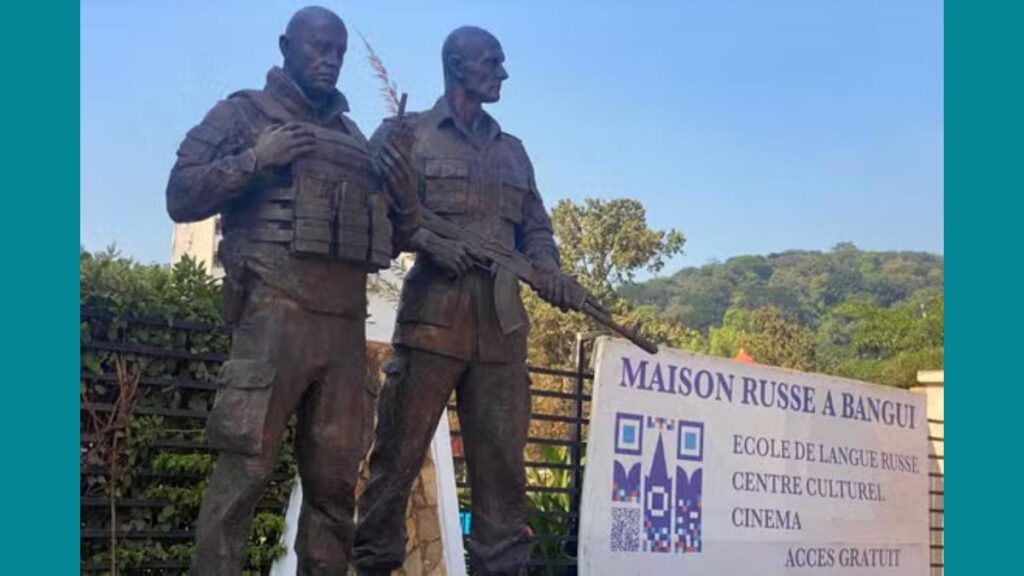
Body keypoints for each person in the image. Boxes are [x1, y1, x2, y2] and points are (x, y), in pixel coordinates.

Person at [165, 6, 417, 574]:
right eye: (317, 48)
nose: (329, 60)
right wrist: (257, 159)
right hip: (273, 317)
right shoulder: (242, 115)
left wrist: (404, 196)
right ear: (286, 46)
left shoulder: (356, 141)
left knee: (332, 490)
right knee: (243, 477)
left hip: (345, 331)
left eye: (338, 52)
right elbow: (181, 194)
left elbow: (389, 238)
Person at [353, 26, 577, 576]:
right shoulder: (407, 135)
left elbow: (536, 230)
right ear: (457, 65)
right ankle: (371, 564)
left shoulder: (514, 153)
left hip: (502, 334)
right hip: (432, 324)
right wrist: (427, 239)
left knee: (503, 478)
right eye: (491, 62)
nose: (502, 73)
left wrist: (548, 270)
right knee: (394, 465)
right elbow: (372, 219)